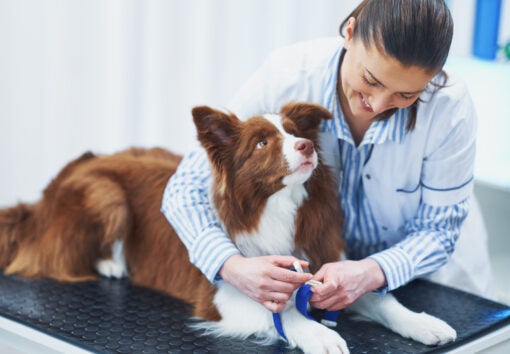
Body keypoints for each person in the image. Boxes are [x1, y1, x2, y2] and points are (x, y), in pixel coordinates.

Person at [161, 0, 495, 314]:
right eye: (370, 80)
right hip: (330, 278)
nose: (378, 105)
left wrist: (370, 271)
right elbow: (184, 191)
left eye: (405, 94)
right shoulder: (287, 75)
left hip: (435, 284)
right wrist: (232, 266)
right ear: (350, 33)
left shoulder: (449, 108)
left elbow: (437, 231)